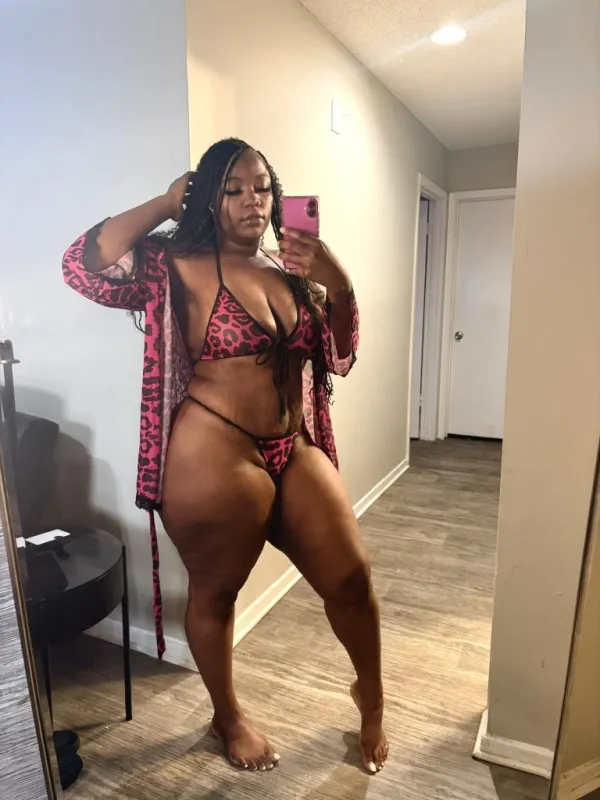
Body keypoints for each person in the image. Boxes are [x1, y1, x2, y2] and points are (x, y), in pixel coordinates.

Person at [62, 138, 388, 774]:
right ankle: (227, 717)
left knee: (352, 578)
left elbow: (340, 356)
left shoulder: (292, 266)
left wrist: (337, 280)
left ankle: (370, 696)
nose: (251, 201)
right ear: (208, 198)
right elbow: (83, 266)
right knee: (216, 593)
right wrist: (164, 203)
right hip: (213, 448)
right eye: (233, 189)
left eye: (261, 187)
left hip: (293, 446)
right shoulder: (174, 264)